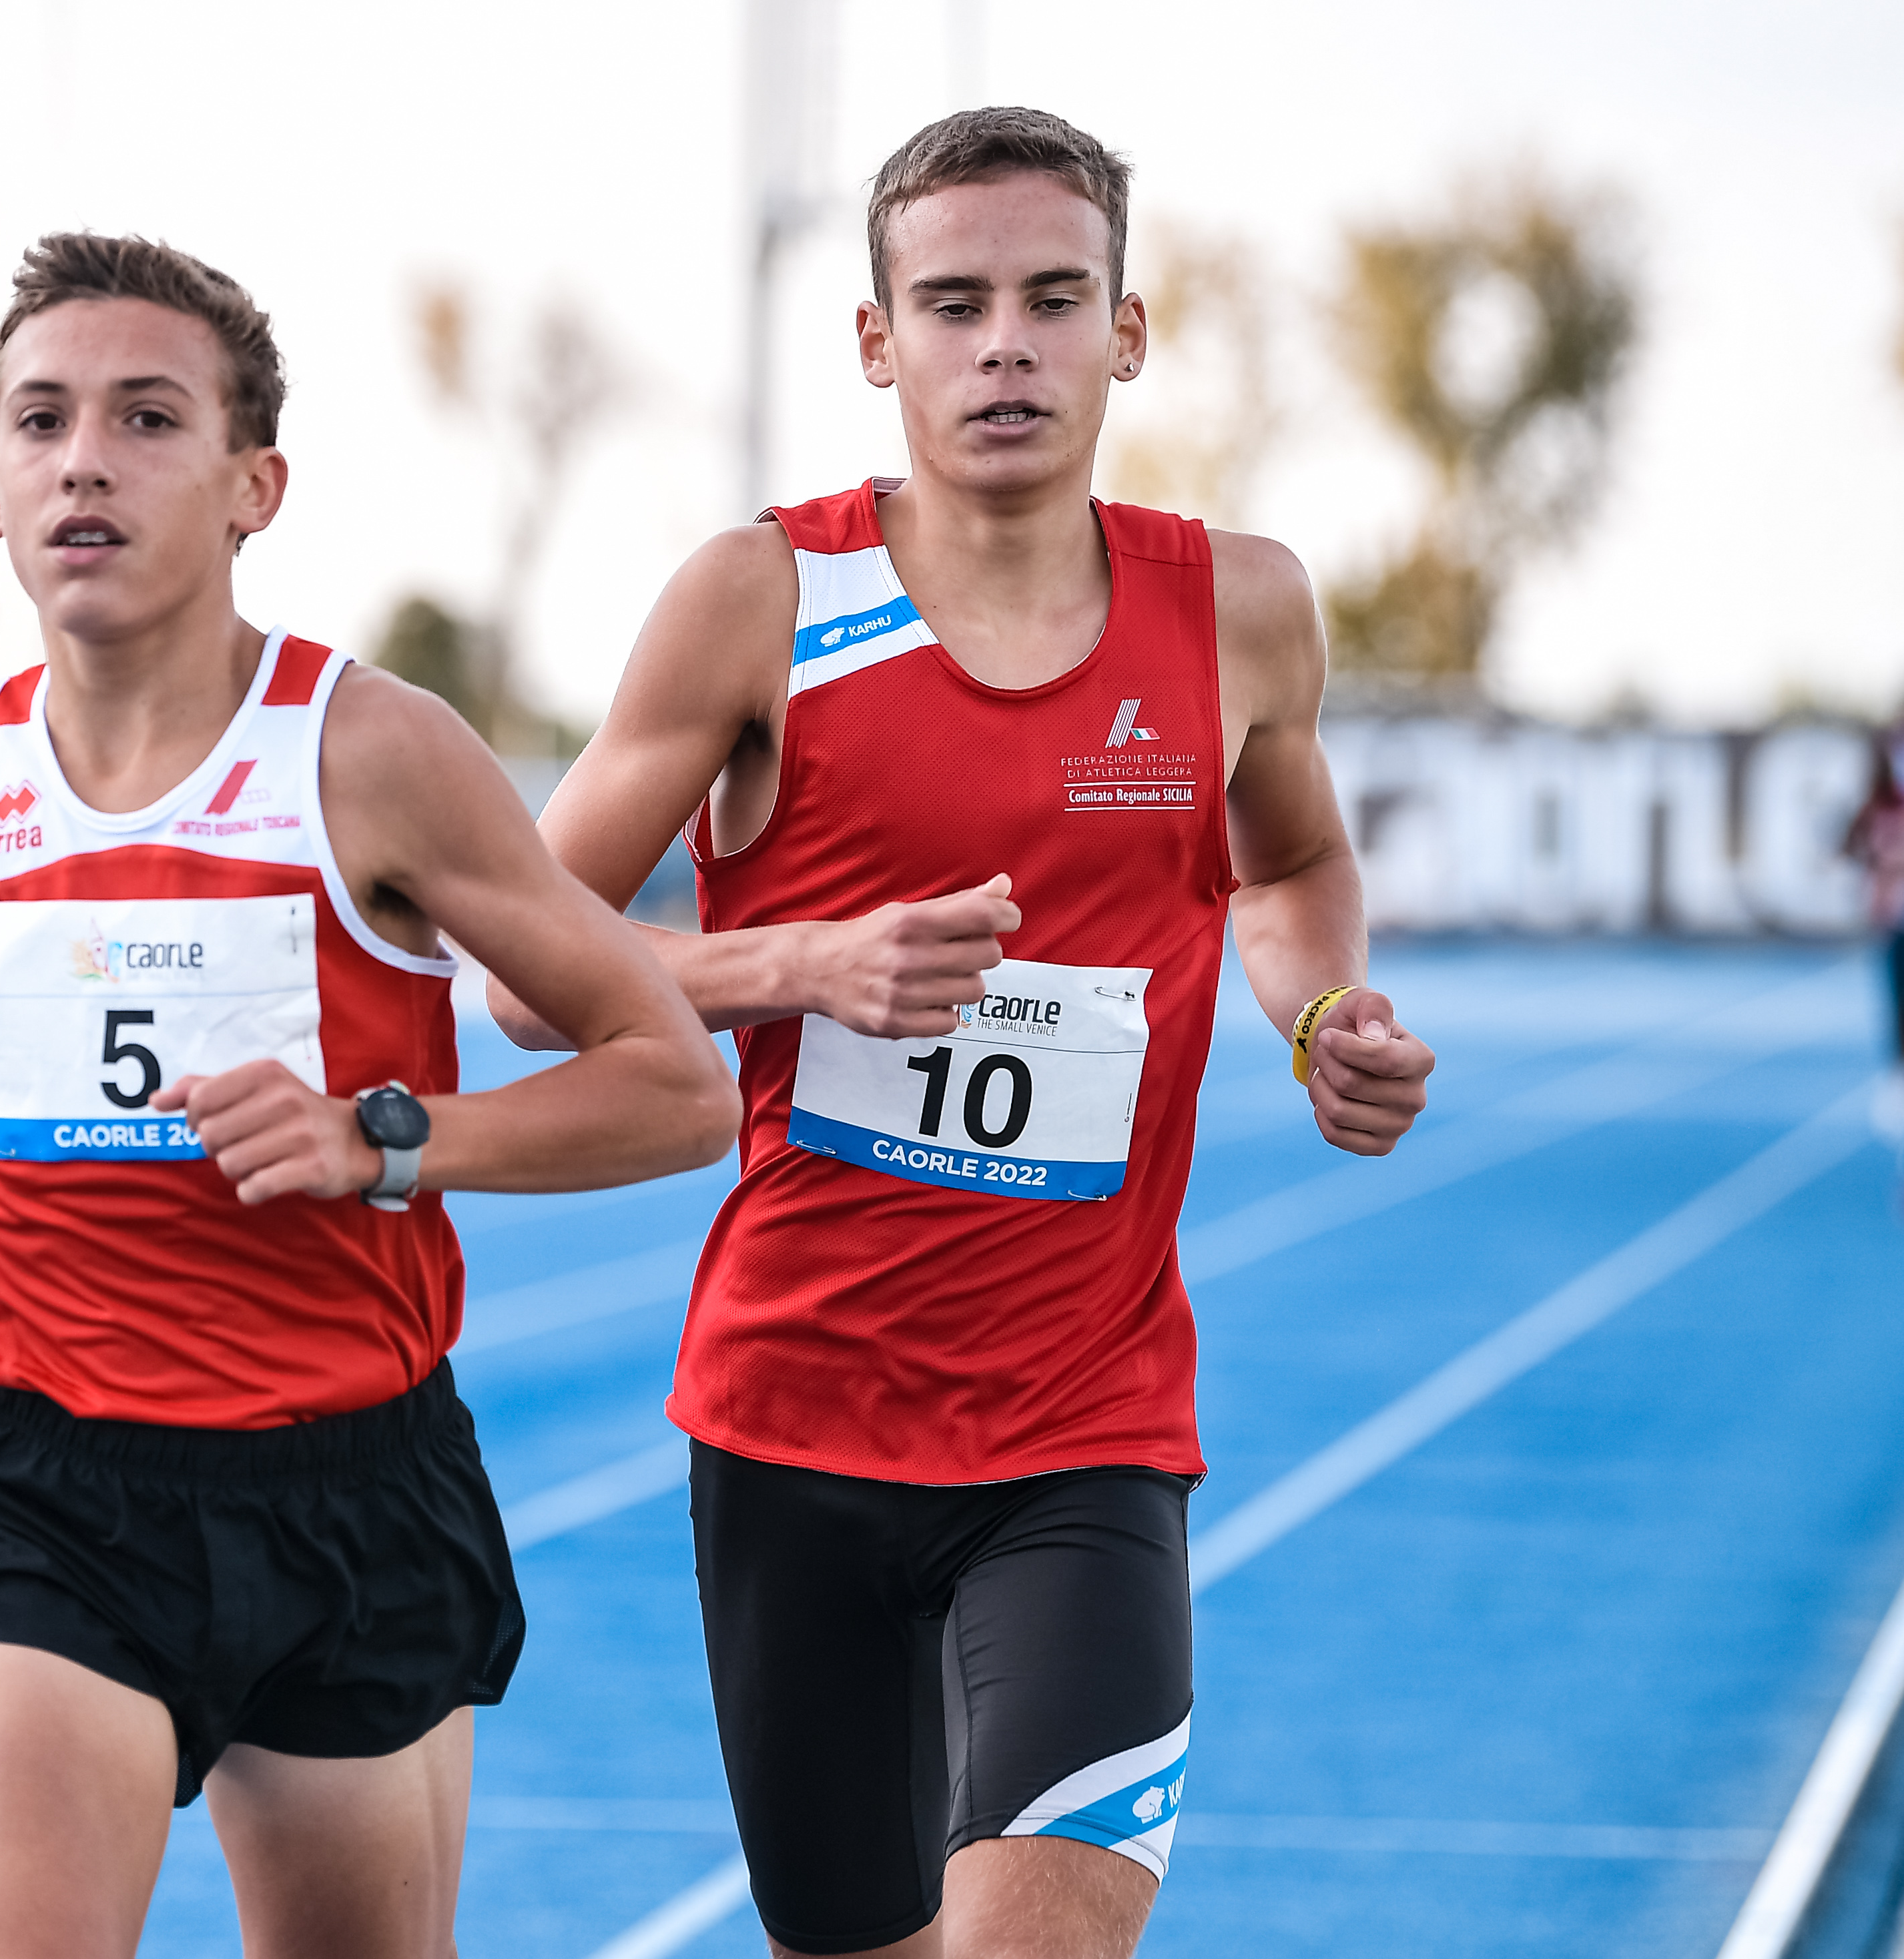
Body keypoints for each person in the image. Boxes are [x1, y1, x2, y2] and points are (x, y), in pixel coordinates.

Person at [0, 232, 738, 1959]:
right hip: (47, 1491)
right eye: (41, 421)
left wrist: (384, 1142)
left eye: (147, 418)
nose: (85, 459)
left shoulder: (370, 754)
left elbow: (675, 1086)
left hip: (348, 1485)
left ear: (250, 487)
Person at [491, 109, 1437, 1959]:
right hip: (792, 1424)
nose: (1004, 344)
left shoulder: (1236, 609)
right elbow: (530, 968)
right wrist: (803, 964)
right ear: (877, 341)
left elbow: (1292, 863)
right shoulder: (760, 600)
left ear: (1125, 331)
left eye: (1051, 299)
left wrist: (1325, 1005)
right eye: (952, 304)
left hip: (1086, 1426)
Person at [1843, 724, 1904, 1139]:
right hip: (1893, 919)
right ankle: (1897, 1075)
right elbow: (1850, 846)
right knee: (1896, 999)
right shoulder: (1877, 805)